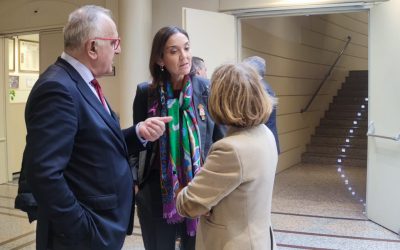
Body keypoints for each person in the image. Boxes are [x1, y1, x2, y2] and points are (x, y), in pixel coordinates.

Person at [15, 5, 170, 250]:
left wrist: (137, 133)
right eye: (115, 42)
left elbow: (92, 143)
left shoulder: (81, 82)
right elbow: (44, 174)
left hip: (100, 226)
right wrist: (83, 230)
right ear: (93, 47)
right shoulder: (57, 89)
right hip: (81, 237)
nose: (119, 50)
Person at [132, 26, 224, 250]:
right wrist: (136, 183)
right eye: (174, 51)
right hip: (157, 188)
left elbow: (218, 139)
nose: (184, 56)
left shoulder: (206, 89)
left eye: (186, 48)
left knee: (195, 246)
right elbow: (137, 143)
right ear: (160, 59)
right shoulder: (146, 93)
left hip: (197, 186)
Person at [176, 63, 278, 250]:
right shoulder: (265, 133)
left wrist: (181, 190)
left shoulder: (230, 149)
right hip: (260, 239)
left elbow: (189, 204)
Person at [243, 56, 280, 153]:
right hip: (266, 141)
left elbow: (255, 118)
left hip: (263, 142)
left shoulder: (261, 89)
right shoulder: (263, 86)